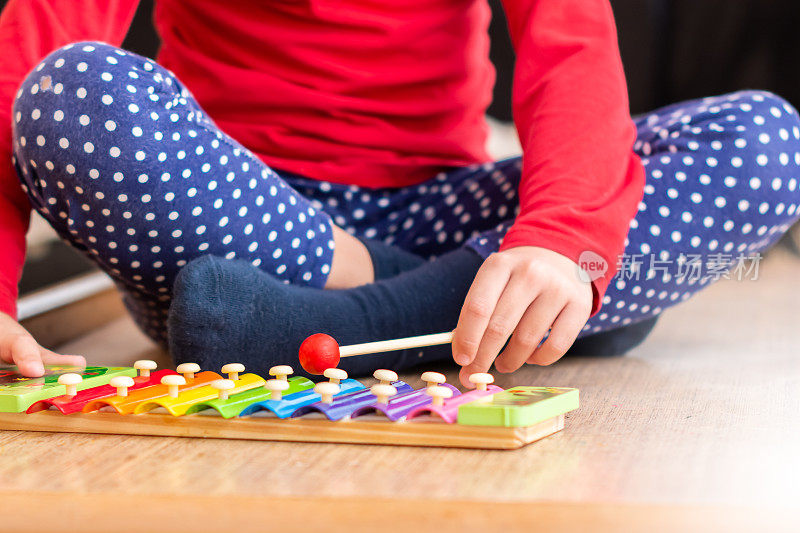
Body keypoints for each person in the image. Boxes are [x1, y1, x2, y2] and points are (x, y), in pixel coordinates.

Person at [2, 0, 799, 385]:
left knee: (770, 143)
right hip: (235, 221)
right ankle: (511, 314)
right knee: (70, 96)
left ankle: (354, 320)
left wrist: (558, 239)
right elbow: (27, 48)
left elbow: (572, 45)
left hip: (428, 210)